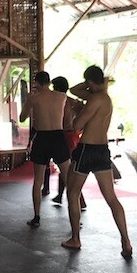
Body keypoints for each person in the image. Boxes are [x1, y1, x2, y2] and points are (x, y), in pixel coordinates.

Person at [62, 65, 132, 259]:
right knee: (112, 198)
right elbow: (75, 90)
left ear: (90, 83)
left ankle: (75, 238)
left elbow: (76, 126)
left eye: (88, 83)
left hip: (86, 150)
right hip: (102, 150)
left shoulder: (93, 99)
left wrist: (77, 109)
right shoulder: (106, 99)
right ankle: (125, 240)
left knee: (73, 193)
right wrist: (88, 89)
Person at [20, 71, 71, 228]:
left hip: (42, 138)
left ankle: (36, 217)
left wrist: (30, 102)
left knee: (38, 180)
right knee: (69, 179)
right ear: (49, 82)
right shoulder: (61, 97)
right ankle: (74, 216)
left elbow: (22, 118)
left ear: (36, 83)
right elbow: (70, 116)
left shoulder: (34, 98)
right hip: (58, 137)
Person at [50, 76, 86, 211]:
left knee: (68, 168)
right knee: (65, 167)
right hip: (72, 135)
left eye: (54, 88)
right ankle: (61, 195)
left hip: (66, 135)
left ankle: (80, 200)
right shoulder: (72, 102)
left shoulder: (61, 102)